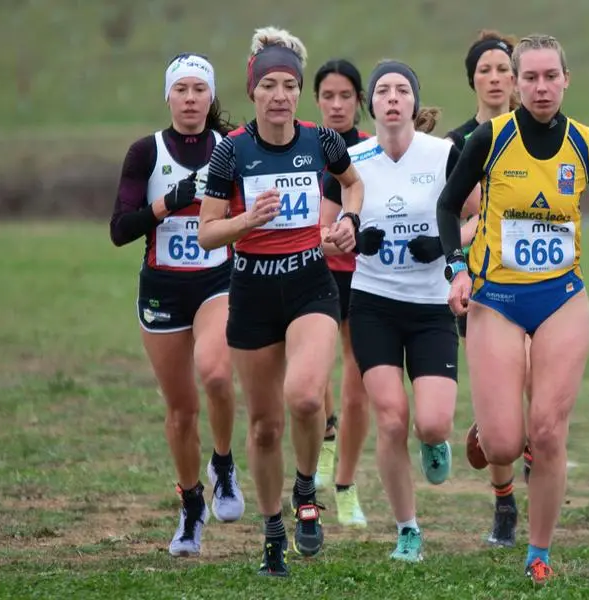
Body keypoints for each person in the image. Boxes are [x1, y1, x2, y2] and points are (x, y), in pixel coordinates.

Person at [435, 34, 589, 584]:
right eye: (531, 78)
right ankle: (490, 428)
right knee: (503, 442)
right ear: (517, 84)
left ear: (567, 80)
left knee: (547, 432)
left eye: (551, 77)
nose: (541, 87)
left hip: (562, 296)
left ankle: (538, 551)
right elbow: (448, 205)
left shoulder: (588, 145)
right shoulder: (490, 139)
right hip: (495, 298)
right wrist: (458, 268)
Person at [197, 27, 364, 578]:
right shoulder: (231, 151)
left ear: (299, 93)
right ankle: (273, 527)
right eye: (268, 84)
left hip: (310, 285)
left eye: (289, 84)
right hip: (251, 292)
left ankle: (304, 490)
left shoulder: (322, 141)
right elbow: (207, 234)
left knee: (306, 400)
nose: (279, 95)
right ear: (253, 91)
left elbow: (353, 184)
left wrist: (347, 220)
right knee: (265, 425)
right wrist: (248, 220)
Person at [322, 60, 478, 563]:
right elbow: (325, 236)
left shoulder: (445, 154)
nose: (393, 98)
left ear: (415, 101)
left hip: (431, 305)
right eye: (383, 91)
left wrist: (443, 243)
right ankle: (407, 529)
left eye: (402, 90)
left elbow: (480, 216)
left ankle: (436, 443)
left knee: (431, 423)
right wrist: (348, 238)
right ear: (372, 104)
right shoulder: (351, 160)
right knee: (391, 420)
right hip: (373, 305)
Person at [109, 53, 244, 558]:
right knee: (182, 411)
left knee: (215, 374)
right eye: (181, 89)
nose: (190, 99)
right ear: (168, 96)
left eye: (199, 90)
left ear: (212, 98)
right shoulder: (146, 152)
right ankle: (191, 507)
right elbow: (120, 230)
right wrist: (170, 202)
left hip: (218, 280)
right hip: (163, 289)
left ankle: (225, 465)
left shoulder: (230, 150)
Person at [445, 28, 525, 549]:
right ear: (472, 79)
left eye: (503, 69)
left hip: (537, 279)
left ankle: (532, 449)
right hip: (479, 284)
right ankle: (504, 503)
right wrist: (476, 235)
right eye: (485, 70)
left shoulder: (541, 133)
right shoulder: (454, 146)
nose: (495, 78)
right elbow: (450, 217)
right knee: (498, 401)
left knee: (537, 385)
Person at [313, 59, 370, 528]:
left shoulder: (371, 151)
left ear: (359, 101)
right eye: (328, 96)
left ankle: (347, 487)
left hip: (366, 277)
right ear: (316, 101)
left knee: (358, 383)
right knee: (313, 376)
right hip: (314, 272)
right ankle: (325, 439)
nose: (336, 105)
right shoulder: (299, 146)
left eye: (345, 96)